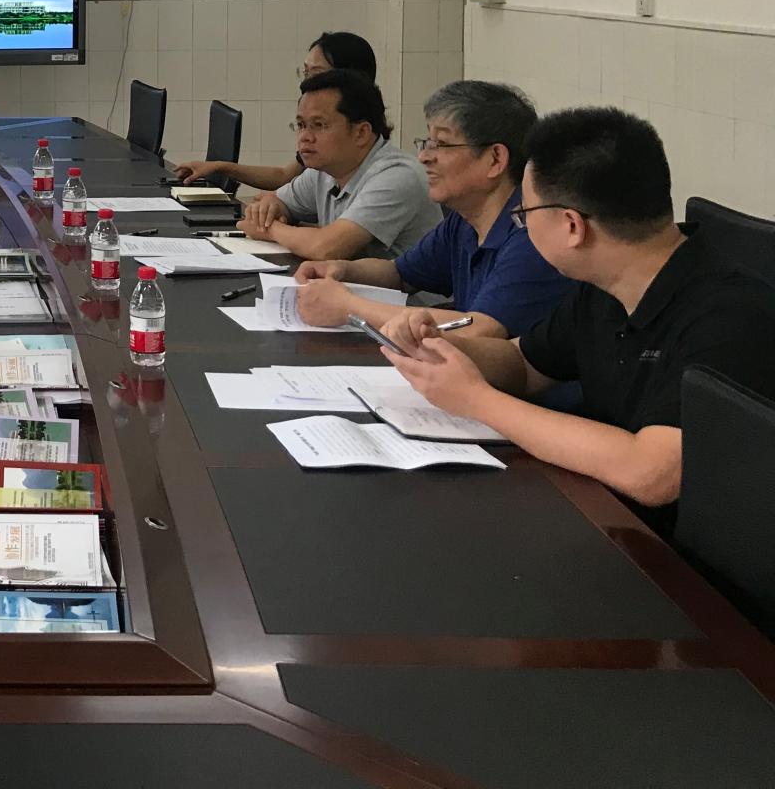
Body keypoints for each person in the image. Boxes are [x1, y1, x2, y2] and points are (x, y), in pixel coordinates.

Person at [378, 107, 775, 534]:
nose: (523, 226)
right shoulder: (605, 286)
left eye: (525, 215)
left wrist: (475, 399)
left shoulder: (731, 316)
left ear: (572, 226)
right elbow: (525, 365)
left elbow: (652, 473)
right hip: (603, 515)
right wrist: (442, 347)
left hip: (674, 560)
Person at [295, 80, 569, 339]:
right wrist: (342, 269)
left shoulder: (532, 233)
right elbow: (400, 274)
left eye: (442, 144)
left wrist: (348, 307)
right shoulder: (464, 220)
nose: (424, 156)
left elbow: (480, 329)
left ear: (495, 159)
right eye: (426, 142)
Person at [237, 68, 439, 261]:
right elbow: (277, 202)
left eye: (319, 125)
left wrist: (270, 229)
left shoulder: (397, 176)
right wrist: (268, 210)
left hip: (399, 288)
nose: (305, 137)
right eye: (301, 125)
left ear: (361, 133)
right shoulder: (326, 169)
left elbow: (326, 248)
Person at [177, 30, 379, 189]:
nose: (306, 83)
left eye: (317, 74)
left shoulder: (378, 174)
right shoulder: (320, 169)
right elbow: (284, 179)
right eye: (305, 72)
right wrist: (220, 167)